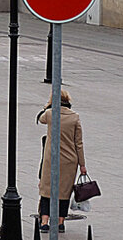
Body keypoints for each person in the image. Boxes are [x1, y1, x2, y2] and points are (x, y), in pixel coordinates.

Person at [37, 90, 87, 233]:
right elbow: (79, 143)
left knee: (47, 189)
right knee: (64, 192)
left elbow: (40, 119)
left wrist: (48, 105)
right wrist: (82, 164)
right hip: (69, 161)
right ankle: (60, 222)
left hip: (51, 159)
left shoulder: (50, 114)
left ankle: (45, 221)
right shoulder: (75, 117)